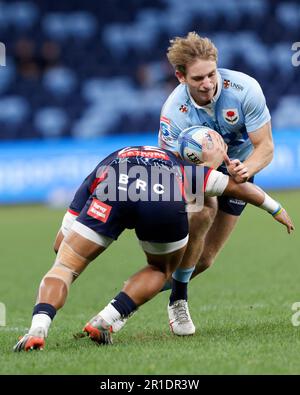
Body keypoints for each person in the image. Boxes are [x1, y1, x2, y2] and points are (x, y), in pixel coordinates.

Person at [13, 145, 293, 351]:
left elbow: (61, 241)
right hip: (164, 198)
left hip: (115, 185)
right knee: (160, 269)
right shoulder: (186, 170)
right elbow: (237, 188)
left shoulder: (113, 157)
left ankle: (38, 328)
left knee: (64, 266)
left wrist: (67, 256)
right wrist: (275, 208)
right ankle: (107, 319)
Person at [158, 32, 275, 335]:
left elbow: (265, 147)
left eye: (211, 74)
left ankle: (148, 286)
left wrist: (245, 170)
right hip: (196, 173)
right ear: (180, 76)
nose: (208, 83)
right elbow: (170, 168)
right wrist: (205, 173)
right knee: (201, 214)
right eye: (198, 78)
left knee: (206, 259)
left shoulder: (245, 89)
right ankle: (176, 300)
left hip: (239, 171)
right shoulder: (174, 112)